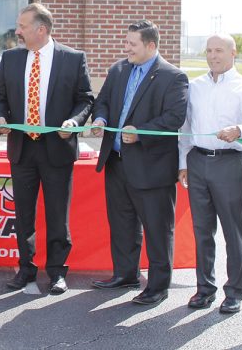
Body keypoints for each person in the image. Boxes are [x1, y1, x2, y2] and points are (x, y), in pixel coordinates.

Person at [0, 3, 94, 294]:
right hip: (22, 149)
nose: (17, 31)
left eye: (22, 26)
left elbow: (85, 99)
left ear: (41, 29)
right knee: (23, 214)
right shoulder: (11, 59)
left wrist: (74, 122)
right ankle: (25, 269)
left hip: (57, 148)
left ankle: (57, 272)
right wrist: (0, 117)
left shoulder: (72, 59)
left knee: (57, 215)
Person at [90, 20, 188, 306]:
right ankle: (125, 274)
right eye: (126, 42)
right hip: (117, 161)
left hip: (151, 166)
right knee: (122, 223)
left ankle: (158, 286)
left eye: (132, 44)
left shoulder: (173, 77)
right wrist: (101, 119)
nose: (126, 48)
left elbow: (174, 118)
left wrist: (140, 133)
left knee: (157, 228)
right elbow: (103, 102)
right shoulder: (119, 70)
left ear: (151, 45)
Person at [178, 34, 242, 313]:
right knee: (202, 231)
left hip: (230, 164)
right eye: (208, 51)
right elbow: (185, 128)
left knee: (233, 230)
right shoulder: (195, 87)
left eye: (219, 50)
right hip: (198, 162)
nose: (213, 56)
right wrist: (183, 163)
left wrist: (239, 131)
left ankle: (235, 292)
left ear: (233, 53)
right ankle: (204, 289)